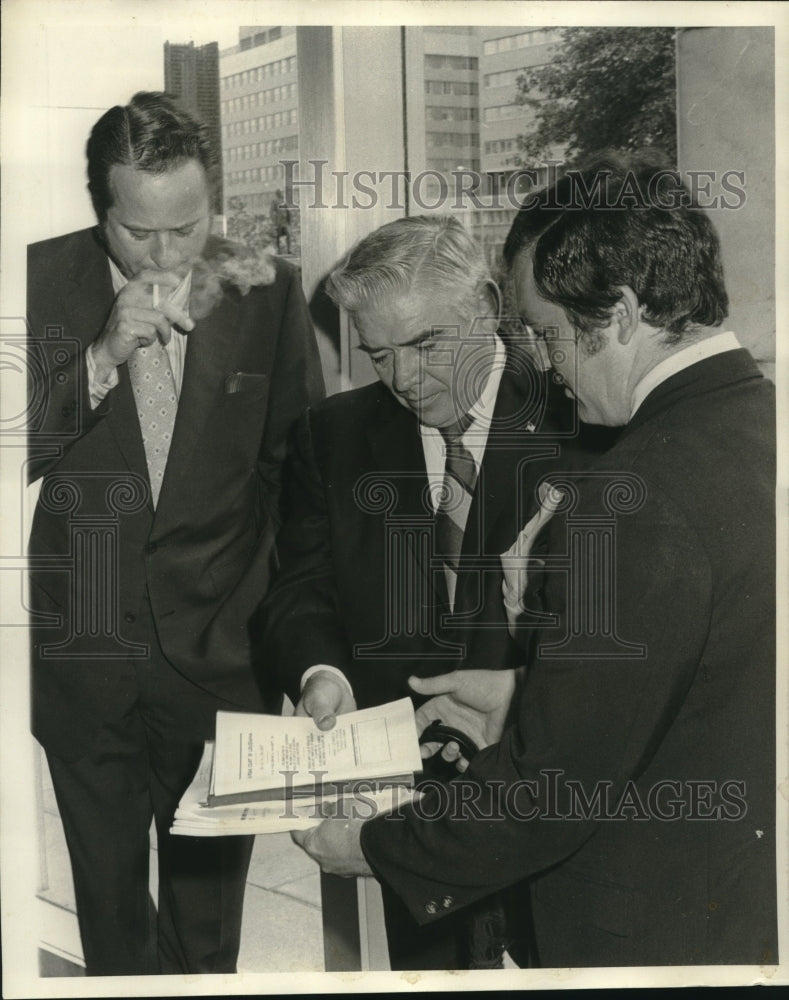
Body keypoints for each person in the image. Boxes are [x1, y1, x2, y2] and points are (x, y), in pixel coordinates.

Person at [291, 156, 778, 968]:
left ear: (619, 313)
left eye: (549, 335)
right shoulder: (755, 421)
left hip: (642, 927)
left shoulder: (630, 495)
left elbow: (555, 789)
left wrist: (373, 849)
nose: (546, 365)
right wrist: (524, 701)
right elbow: (687, 694)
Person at [26, 91, 324, 975]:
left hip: (222, 652)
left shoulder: (265, 288)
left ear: (212, 206)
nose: (164, 256)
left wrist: (265, 615)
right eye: (138, 232)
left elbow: (294, 469)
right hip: (82, 650)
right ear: (99, 211)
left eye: (187, 229)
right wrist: (96, 364)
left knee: (206, 925)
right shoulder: (33, 280)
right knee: (109, 909)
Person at [264, 214, 602, 968]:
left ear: (485, 305)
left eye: (425, 346)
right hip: (408, 812)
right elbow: (301, 589)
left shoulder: (580, 420)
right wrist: (322, 674)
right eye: (380, 355)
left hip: (546, 795)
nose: (404, 380)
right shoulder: (333, 435)